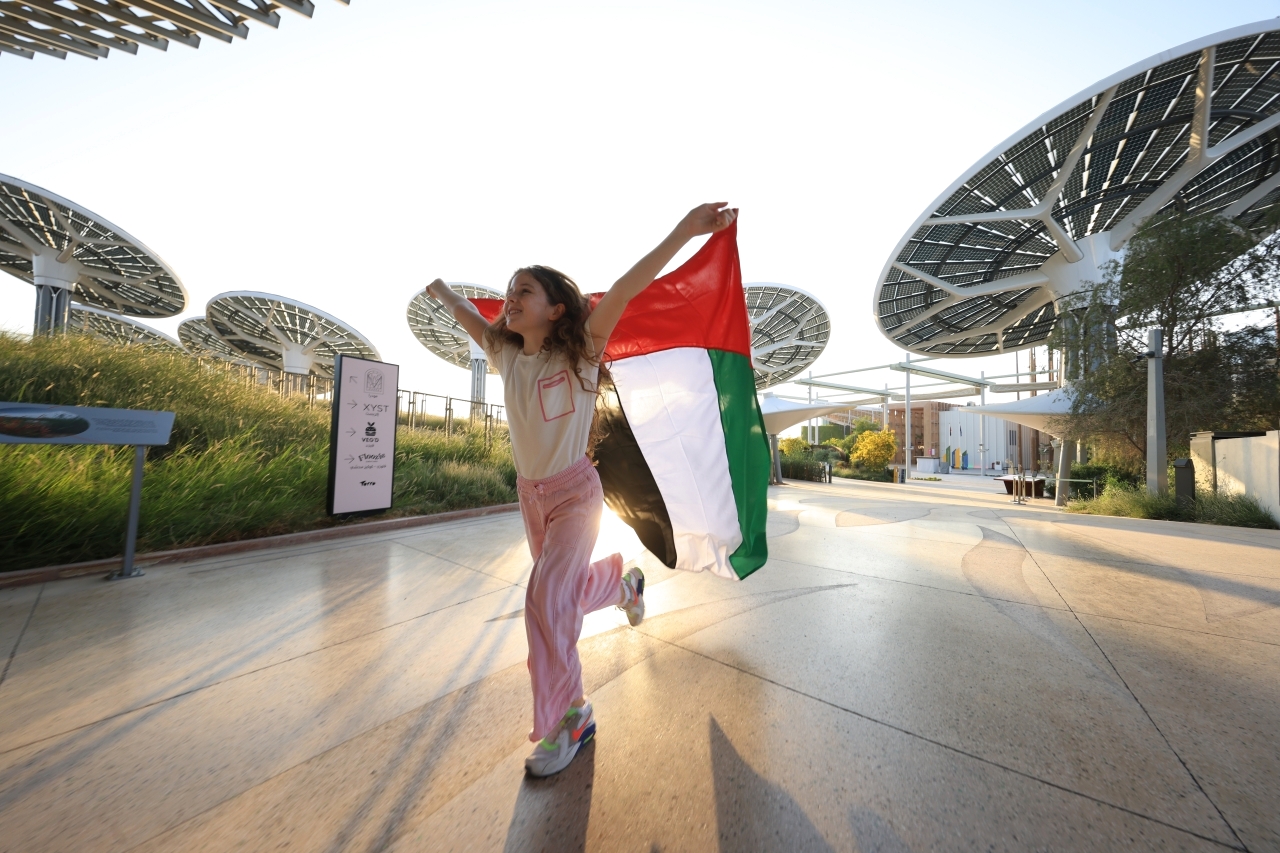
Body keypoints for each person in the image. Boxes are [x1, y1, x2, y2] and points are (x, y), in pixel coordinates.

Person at [425, 202, 737, 777]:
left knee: (545, 600)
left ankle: (573, 717)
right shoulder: (503, 352)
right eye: (509, 291)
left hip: (575, 494)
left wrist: (686, 231)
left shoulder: (583, 348)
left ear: (556, 308)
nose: (510, 298)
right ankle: (622, 585)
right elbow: (469, 314)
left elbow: (626, 288)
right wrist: (440, 289)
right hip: (532, 498)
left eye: (524, 291)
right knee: (561, 595)